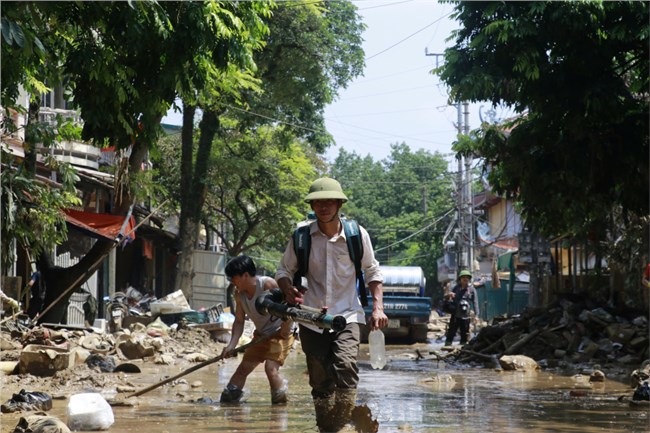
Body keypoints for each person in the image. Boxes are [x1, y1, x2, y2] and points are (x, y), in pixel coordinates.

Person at [275, 177, 388, 432]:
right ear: (313, 207)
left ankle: (342, 424)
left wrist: (378, 307)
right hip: (310, 317)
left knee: (345, 366)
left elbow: (372, 271)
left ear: (338, 204)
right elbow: (283, 270)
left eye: (328, 201)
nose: (323, 206)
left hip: (347, 314)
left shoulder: (356, 235)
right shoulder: (301, 237)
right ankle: (326, 426)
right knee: (319, 378)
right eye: (318, 202)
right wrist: (287, 289)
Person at [219, 255, 295, 405]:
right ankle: (230, 400)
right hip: (261, 335)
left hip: (281, 333)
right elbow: (239, 321)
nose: (232, 282)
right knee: (243, 368)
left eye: (234, 278)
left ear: (245, 275)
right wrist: (231, 345)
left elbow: (289, 309)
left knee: (270, 369)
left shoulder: (267, 285)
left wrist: (285, 331)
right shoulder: (239, 295)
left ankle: (279, 409)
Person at [444, 269, 479, 346]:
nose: (465, 279)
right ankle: (447, 347)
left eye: (467, 277)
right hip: (455, 315)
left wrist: (476, 316)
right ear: (460, 279)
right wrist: (449, 295)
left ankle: (462, 351)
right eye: (463, 277)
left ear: (469, 279)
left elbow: (475, 303)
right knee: (451, 333)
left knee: (464, 335)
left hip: (466, 316)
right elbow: (447, 300)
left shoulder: (472, 290)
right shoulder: (456, 288)